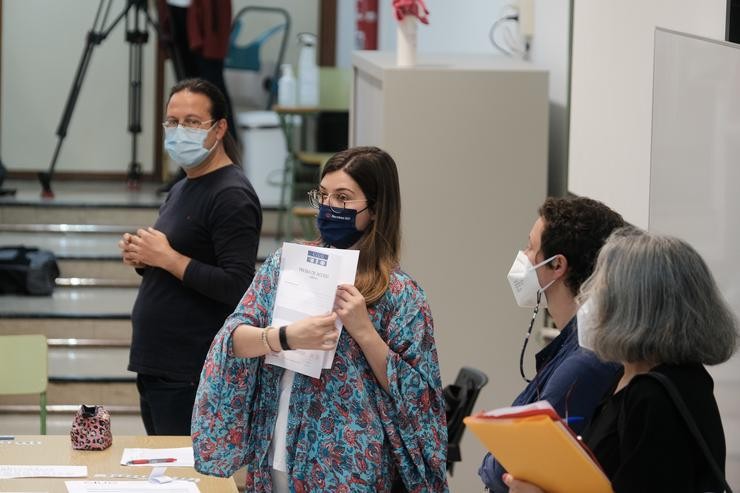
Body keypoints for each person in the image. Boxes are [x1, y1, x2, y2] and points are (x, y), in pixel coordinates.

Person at [191, 146, 448, 492]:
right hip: (275, 450)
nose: (330, 208)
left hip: (349, 467)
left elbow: (421, 399)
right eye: (324, 196)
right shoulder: (287, 265)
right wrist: (285, 337)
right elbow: (232, 340)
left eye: (343, 198)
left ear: (374, 209)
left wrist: (365, 331)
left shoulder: (400, 295)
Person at [503, 228, 738, 493]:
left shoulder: (655, 398)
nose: (588, 301)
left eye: (602, 291)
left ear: (633, 307)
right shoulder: (647, 379)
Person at [120, 78, 262, 435]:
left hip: (190, 368)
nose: (180, 131)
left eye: (193, 122)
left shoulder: (231, 195)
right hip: (158, 363)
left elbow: (237, 285)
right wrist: (146, 257)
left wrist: (167, 258)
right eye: (173, 121)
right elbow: (183, 257)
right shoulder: (184, 185)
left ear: (219, 128)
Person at [479, 197, 625, 491]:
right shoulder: (574, 346)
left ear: (557, 265)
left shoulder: (588, 358)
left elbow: (500, 469)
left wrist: (496, 459)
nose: (523, 255)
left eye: (531, 247)